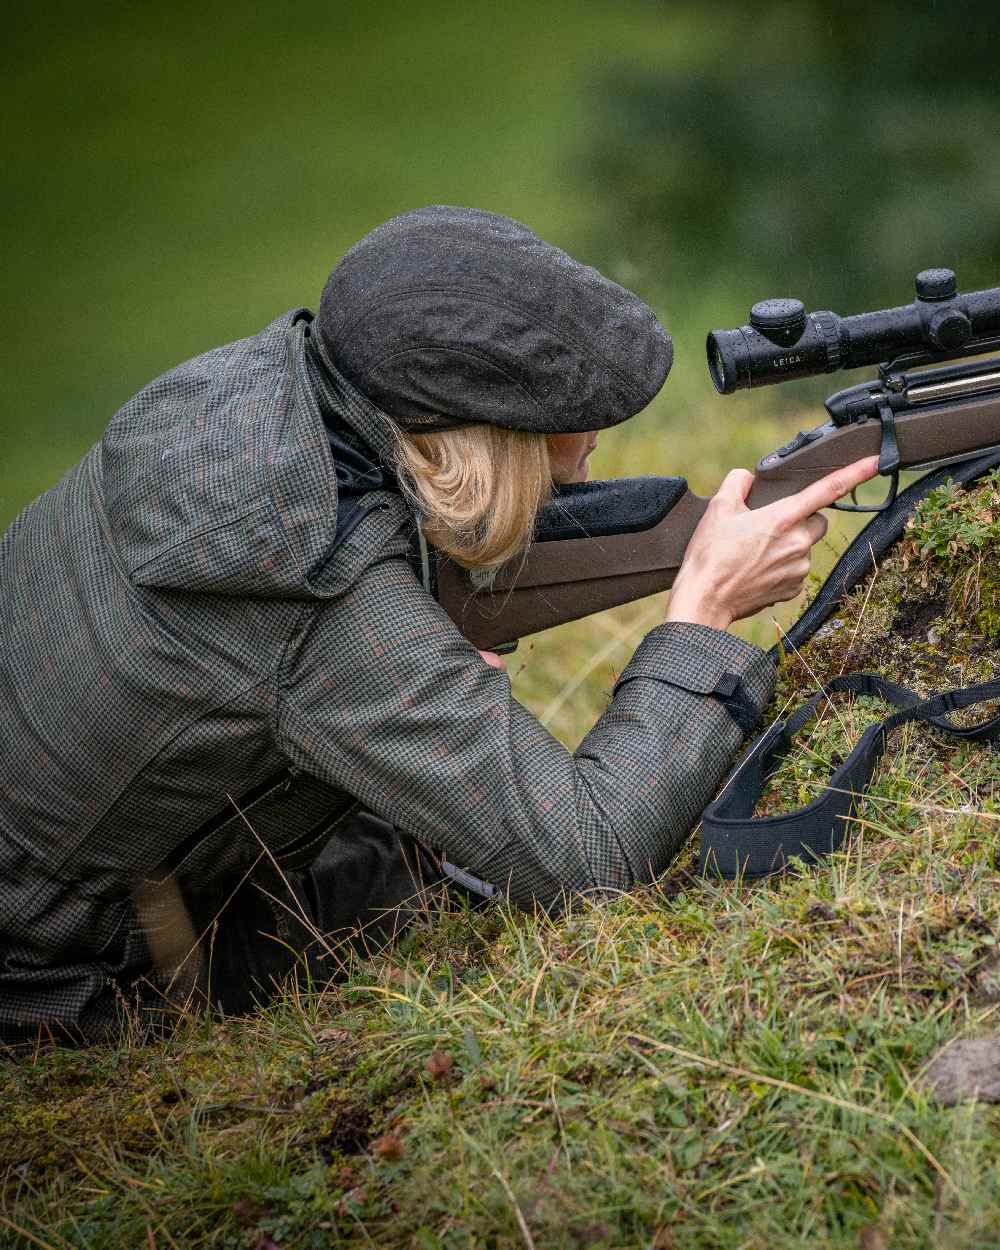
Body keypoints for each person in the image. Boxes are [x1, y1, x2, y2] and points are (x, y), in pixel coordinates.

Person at [0, 206, 877, 1048]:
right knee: (420, 878)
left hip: (74, 860)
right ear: (490, 448)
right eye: (569, 428)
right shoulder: (318, 586)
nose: (598, 439)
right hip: (53, 978)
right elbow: (591, 856)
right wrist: (705, 616)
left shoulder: (258, 397)